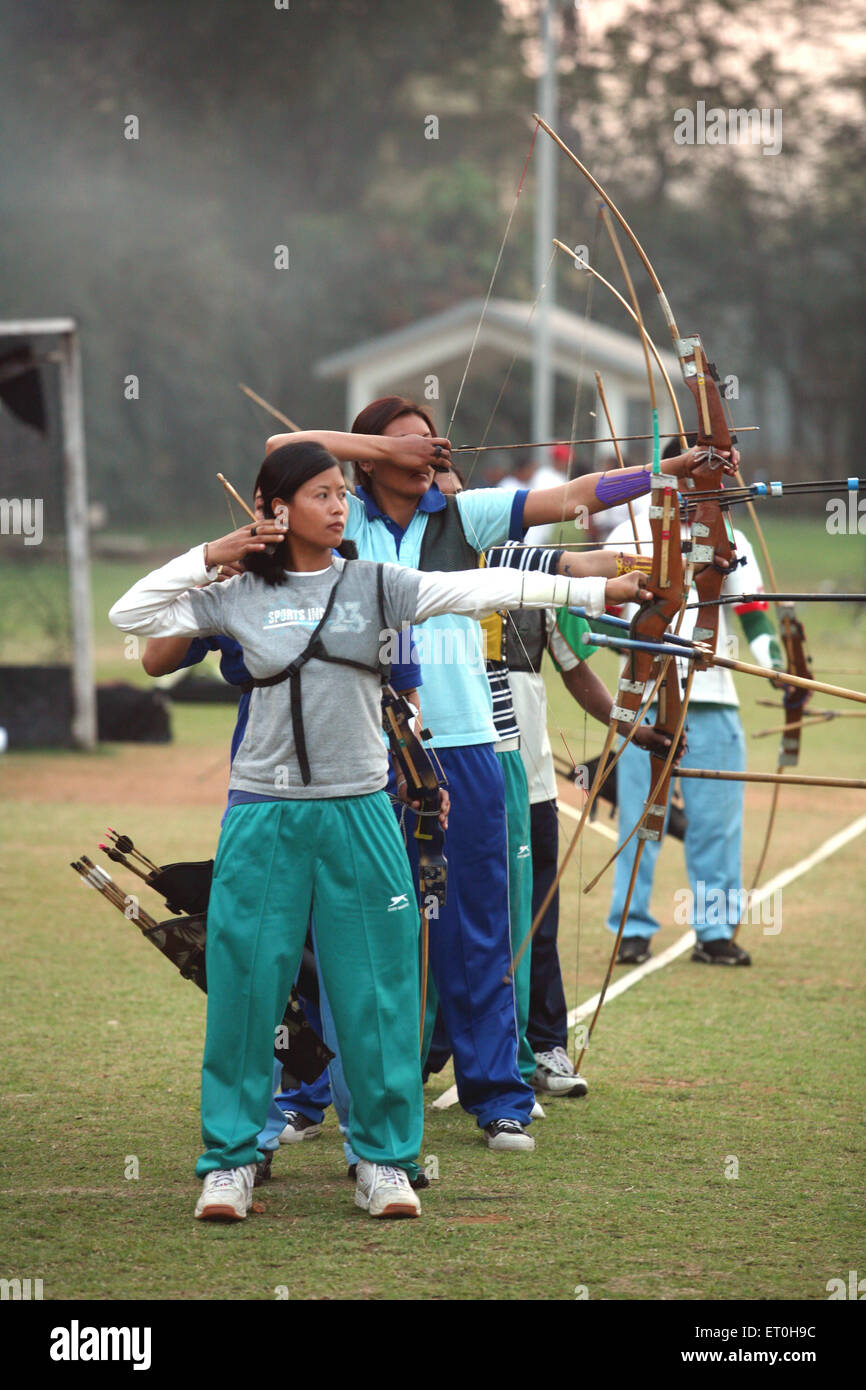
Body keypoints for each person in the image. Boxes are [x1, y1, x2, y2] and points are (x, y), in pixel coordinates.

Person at [109, 438, 648, 1220]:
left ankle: (385, 1160)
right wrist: (212, 554)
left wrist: (599, 594)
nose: (338, 506)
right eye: (322, 494)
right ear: (275, 509)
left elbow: (478, 586)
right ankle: (229, 1161)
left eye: (340, 494)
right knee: (246, 985)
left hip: (362, 811)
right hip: (264, 812)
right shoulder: (232, 594)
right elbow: (135, 617)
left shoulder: (377, 584)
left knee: (378, 991)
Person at [266, 401, 713, 1151]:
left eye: (431, 442)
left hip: (469, 743)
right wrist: (385, 445)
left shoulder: (467, 518)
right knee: (352, 926)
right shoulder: (343, 522)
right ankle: (316, 1091)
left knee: (477, 922)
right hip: (369, 747)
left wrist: (668, 472)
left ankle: (497, 1094)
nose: (428, 454)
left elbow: (577, 496)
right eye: (404, 444)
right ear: (367, 458)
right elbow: (287, 444)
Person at [603, 438, 784, 966]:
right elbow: (602, 616)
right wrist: (641, 631)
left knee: (717, 822)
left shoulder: (730, 536)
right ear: (670, 475)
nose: (699, 485)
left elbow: (751, 611)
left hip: (714, 698)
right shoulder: (629, 533)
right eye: (690, 473)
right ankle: (631, 929)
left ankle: (714, 933)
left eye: (710, 477)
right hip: (647, 702)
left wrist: (774, 665)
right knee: (642, 819)